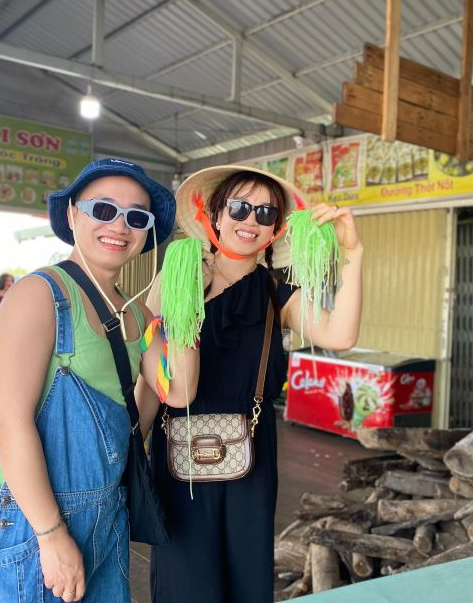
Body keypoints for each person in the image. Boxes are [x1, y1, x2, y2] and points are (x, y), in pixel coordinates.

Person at [0, 158, 196, 603]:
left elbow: (176, 390)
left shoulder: (137, 314)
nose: (119, 226)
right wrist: (51, 535)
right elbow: (8, 423)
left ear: (146, 235)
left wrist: (181, 300)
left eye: (136, 218)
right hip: (35, 524)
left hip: (107, 515)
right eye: (103, 209)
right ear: (72, 215)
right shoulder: (39, 294)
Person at [138, 165, 363, 603]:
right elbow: (152, 371)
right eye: (239, 207)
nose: (250, 221)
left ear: (276, 230)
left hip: (250, 455)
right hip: (177, 451)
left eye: (265, 213)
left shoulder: (279, 292)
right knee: (186, 582)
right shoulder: (178, 278)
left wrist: (353, 252)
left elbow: (342, 335)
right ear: (215, 215)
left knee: (245, 580)